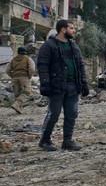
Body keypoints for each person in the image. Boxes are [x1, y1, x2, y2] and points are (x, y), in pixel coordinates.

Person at [36, 19, 90, 151]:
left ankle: (67, 141)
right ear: (63, 30)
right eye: (72, 28)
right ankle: (45, 140)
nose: (74, 31)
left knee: (72, 114)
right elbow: (42, 65)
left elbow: (80, 66)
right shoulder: (49, 45)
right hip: (56, 86)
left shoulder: (74, 47)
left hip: (73, 86)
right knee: (54, 114)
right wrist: (45, 84)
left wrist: (84, 84)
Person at [6, 46, 35, 114]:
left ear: (17, 52)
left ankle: (19, 109)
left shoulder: (13, 60)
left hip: (15, 78)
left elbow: (7, 70)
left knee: (17, 94)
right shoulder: (28, 59)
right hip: (24, 77)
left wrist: (12, 76)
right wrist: (29, 76)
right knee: (26, 93)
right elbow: (32, 69)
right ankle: (17, 105)